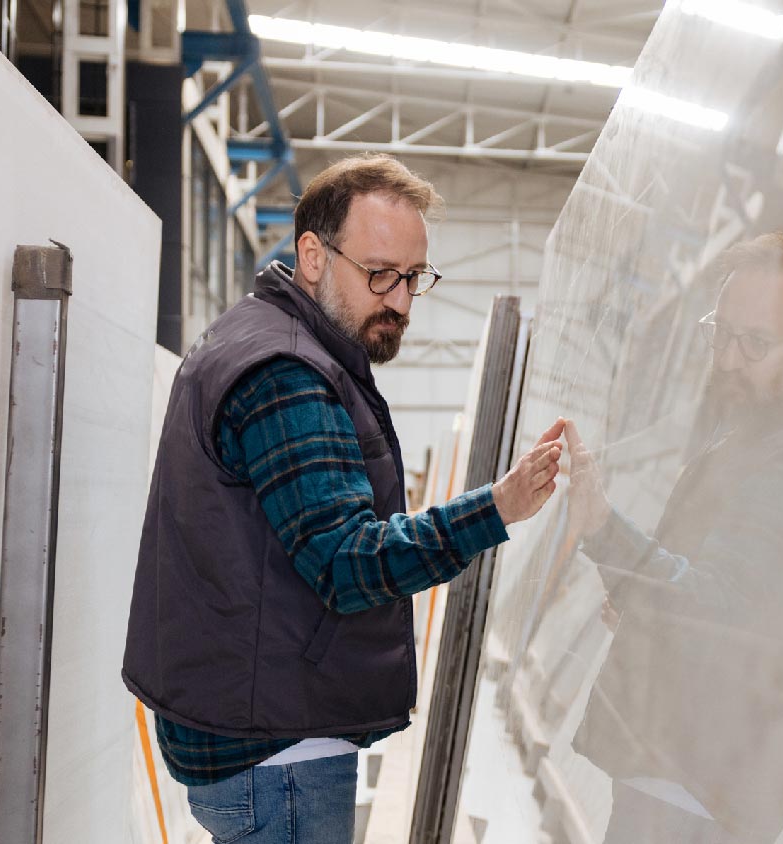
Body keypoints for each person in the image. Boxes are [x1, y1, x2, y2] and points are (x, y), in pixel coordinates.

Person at [121, 153, 564, 844]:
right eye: (381, 273)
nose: (401, 300)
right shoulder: (287, 374)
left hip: (259, 723)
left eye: (415, 278)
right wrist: (497, 507)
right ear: (313, 255)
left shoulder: (261, 336)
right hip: (278, 749)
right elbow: (349, 563)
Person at [564, 232, 783, 844]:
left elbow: (721, 604)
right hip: (689, 768)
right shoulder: (771, 428)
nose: (729, 359)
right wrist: (641, 600)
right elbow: (744, 597)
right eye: (721, 333)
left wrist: (604, 528)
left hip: (696, 780)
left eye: (756, 342)